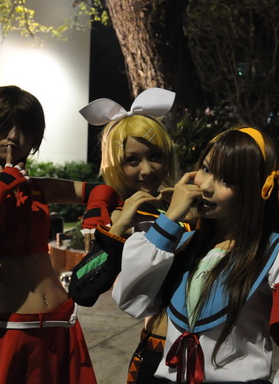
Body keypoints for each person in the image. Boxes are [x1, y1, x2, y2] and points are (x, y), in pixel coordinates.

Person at [113, 126, 279, 384]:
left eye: (226, 180)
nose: (206, 187)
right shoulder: (182, 243)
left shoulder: (277, 253)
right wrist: (170, 218)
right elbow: (131, 299)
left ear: (256, 189)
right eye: (206, 169)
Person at [0, 85, 98, 384]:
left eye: (24, 128)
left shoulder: (34, 186)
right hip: (13, 330)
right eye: (3, 125)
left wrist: (96, 212)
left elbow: (100, 191)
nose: (13, 136)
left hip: (63, 322)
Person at [76, 87, 183, 384]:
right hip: (158, 349)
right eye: (132, 161)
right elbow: (82, 289)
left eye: (155, 156)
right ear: (115, 165)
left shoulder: (187, 205)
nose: (147, 170)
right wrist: (118, 227)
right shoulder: (114, 216)